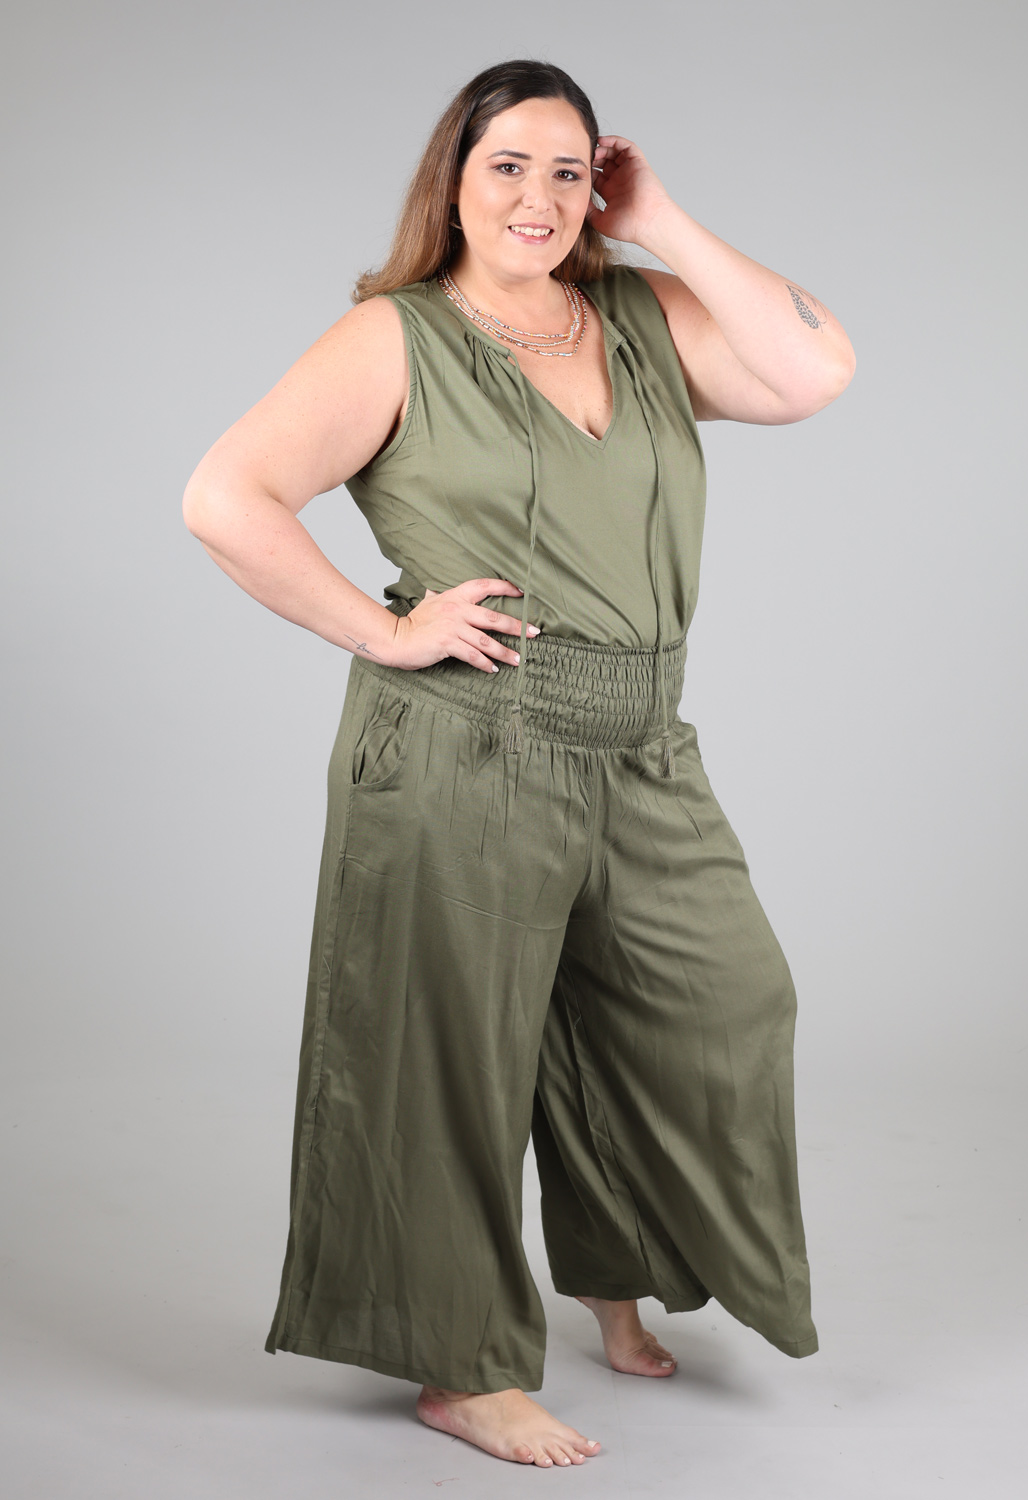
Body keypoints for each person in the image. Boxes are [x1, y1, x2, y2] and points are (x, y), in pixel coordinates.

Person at [182, 58, 855, 1471]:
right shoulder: (396, 338)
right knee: (453, 1052)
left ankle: (612, 1272)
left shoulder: (639, 315)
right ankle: (462, 1368)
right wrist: (385, 629)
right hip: (466, 736)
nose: (538, 198)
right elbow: (224, 495)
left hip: (640, 737)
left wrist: (660, 221)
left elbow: (814, 370)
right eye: (508, 167)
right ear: (455, 180)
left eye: (568, 170)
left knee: (721, 1002)